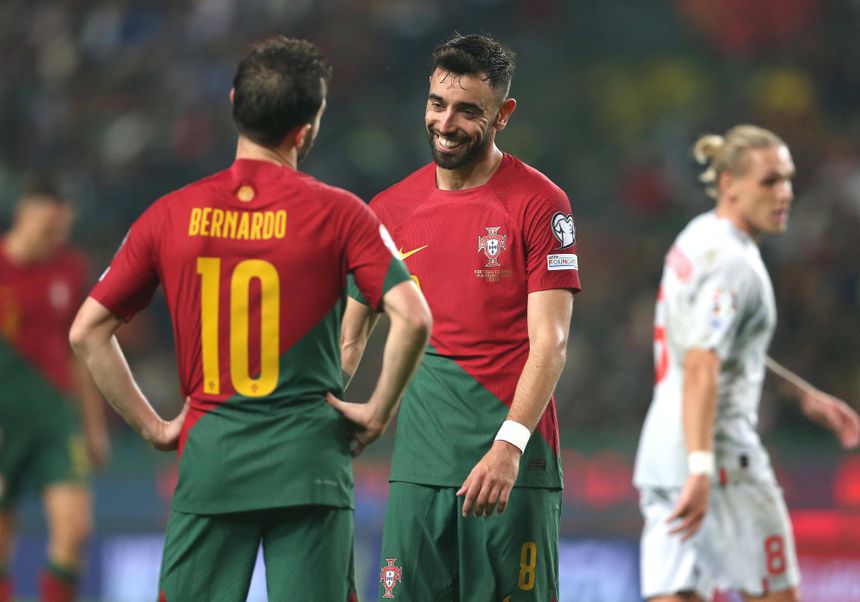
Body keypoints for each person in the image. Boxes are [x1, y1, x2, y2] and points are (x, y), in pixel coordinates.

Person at [69, 36, 431, 602]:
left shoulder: (170, 214)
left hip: (212, 461)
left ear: (234, 102)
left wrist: (155, 428)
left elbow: (86, 331)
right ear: (306, 129)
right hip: (309, 465)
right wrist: (378, 411)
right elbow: (413, 317)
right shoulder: (341, 213)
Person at [333, 33, 581, 601]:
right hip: (419, 468)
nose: (446, 123)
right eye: (437, 104)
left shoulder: (540, 203)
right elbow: (350, 338)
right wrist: (308, 417)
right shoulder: (388, 211)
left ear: (503, 115)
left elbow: (551, 342)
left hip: (512, 466)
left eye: (468, 110)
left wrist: (509, 447)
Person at [633, 124, 860, 602]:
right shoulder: (735, 265)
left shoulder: (697, 235)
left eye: (789, 179)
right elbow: (702, 362)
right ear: (730, 185)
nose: (786, 193)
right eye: (770, 181)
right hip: (719, 461)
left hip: (663, 454)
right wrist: (701, 468)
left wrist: (802, 394)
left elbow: (717, 346)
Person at [0, 179, 109, 602]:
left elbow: (78, 352)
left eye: (64, 228)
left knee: (76, 530)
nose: (58, 237)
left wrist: (94, 427)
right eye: (51, 226)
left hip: (55, 417)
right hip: (5, 417)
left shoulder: (69, 267)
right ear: (24, 214)